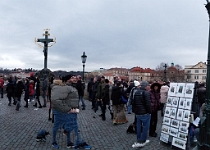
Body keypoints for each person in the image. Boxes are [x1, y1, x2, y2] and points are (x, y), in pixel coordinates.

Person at [131, 80, 151, 148]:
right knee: (145, 127)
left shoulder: (136, 92)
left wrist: (135, 111)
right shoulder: (146, 93)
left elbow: (133, 103)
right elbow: (148, 104)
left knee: (138, 126)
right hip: (144, 113)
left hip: (138, 113)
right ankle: (142, 140)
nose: (149, 87)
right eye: (148, 85)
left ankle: (139, 138)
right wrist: (150, 111)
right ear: (145, 86)